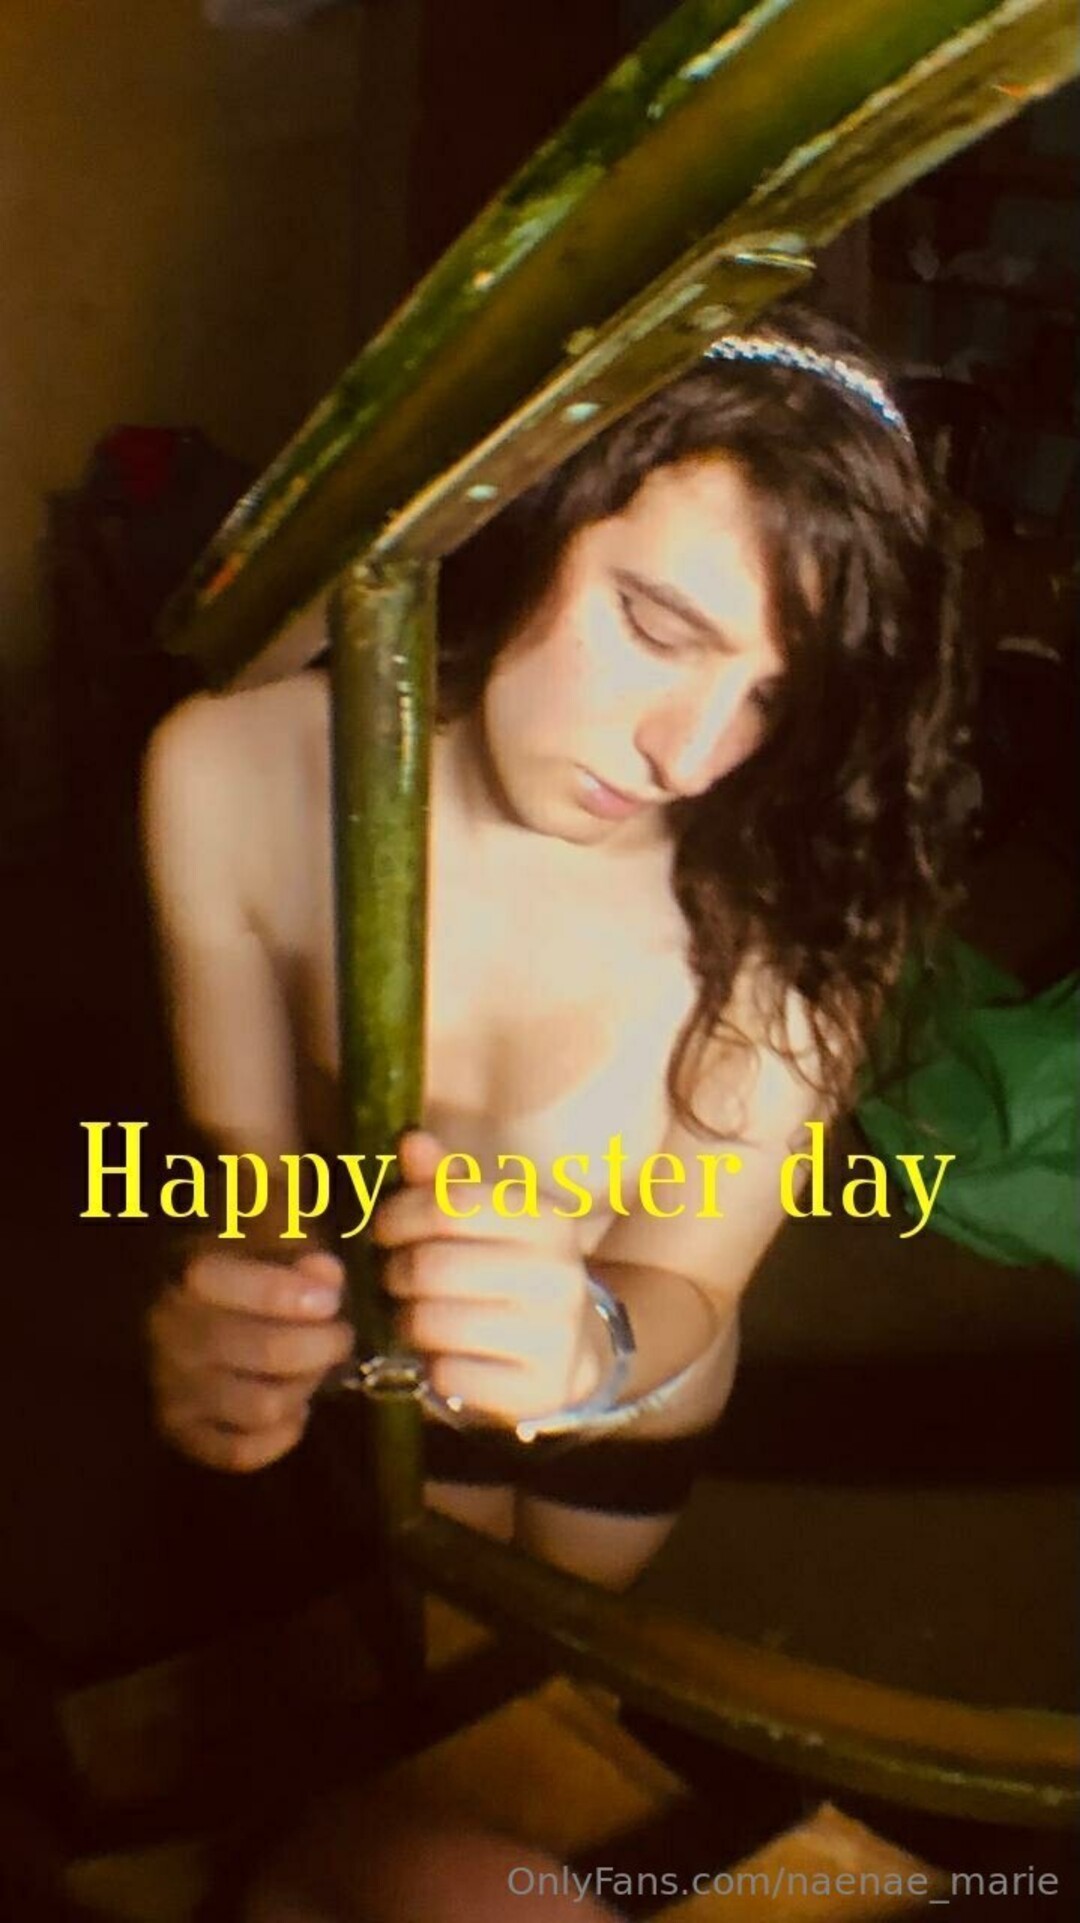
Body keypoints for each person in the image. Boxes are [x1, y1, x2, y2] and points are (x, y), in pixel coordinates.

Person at [143, 304, 968, 1595]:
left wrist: (596, 1346)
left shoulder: (800, 886)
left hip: (635, 1391)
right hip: (382, 1384)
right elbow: (246, 1167)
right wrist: (242, 1304)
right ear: (532, 512)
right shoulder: (227, 776)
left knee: (564, 1638)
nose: (693, 758)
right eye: (655, 625)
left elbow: (688, 1271)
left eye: (774, 696)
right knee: (415, 1638)